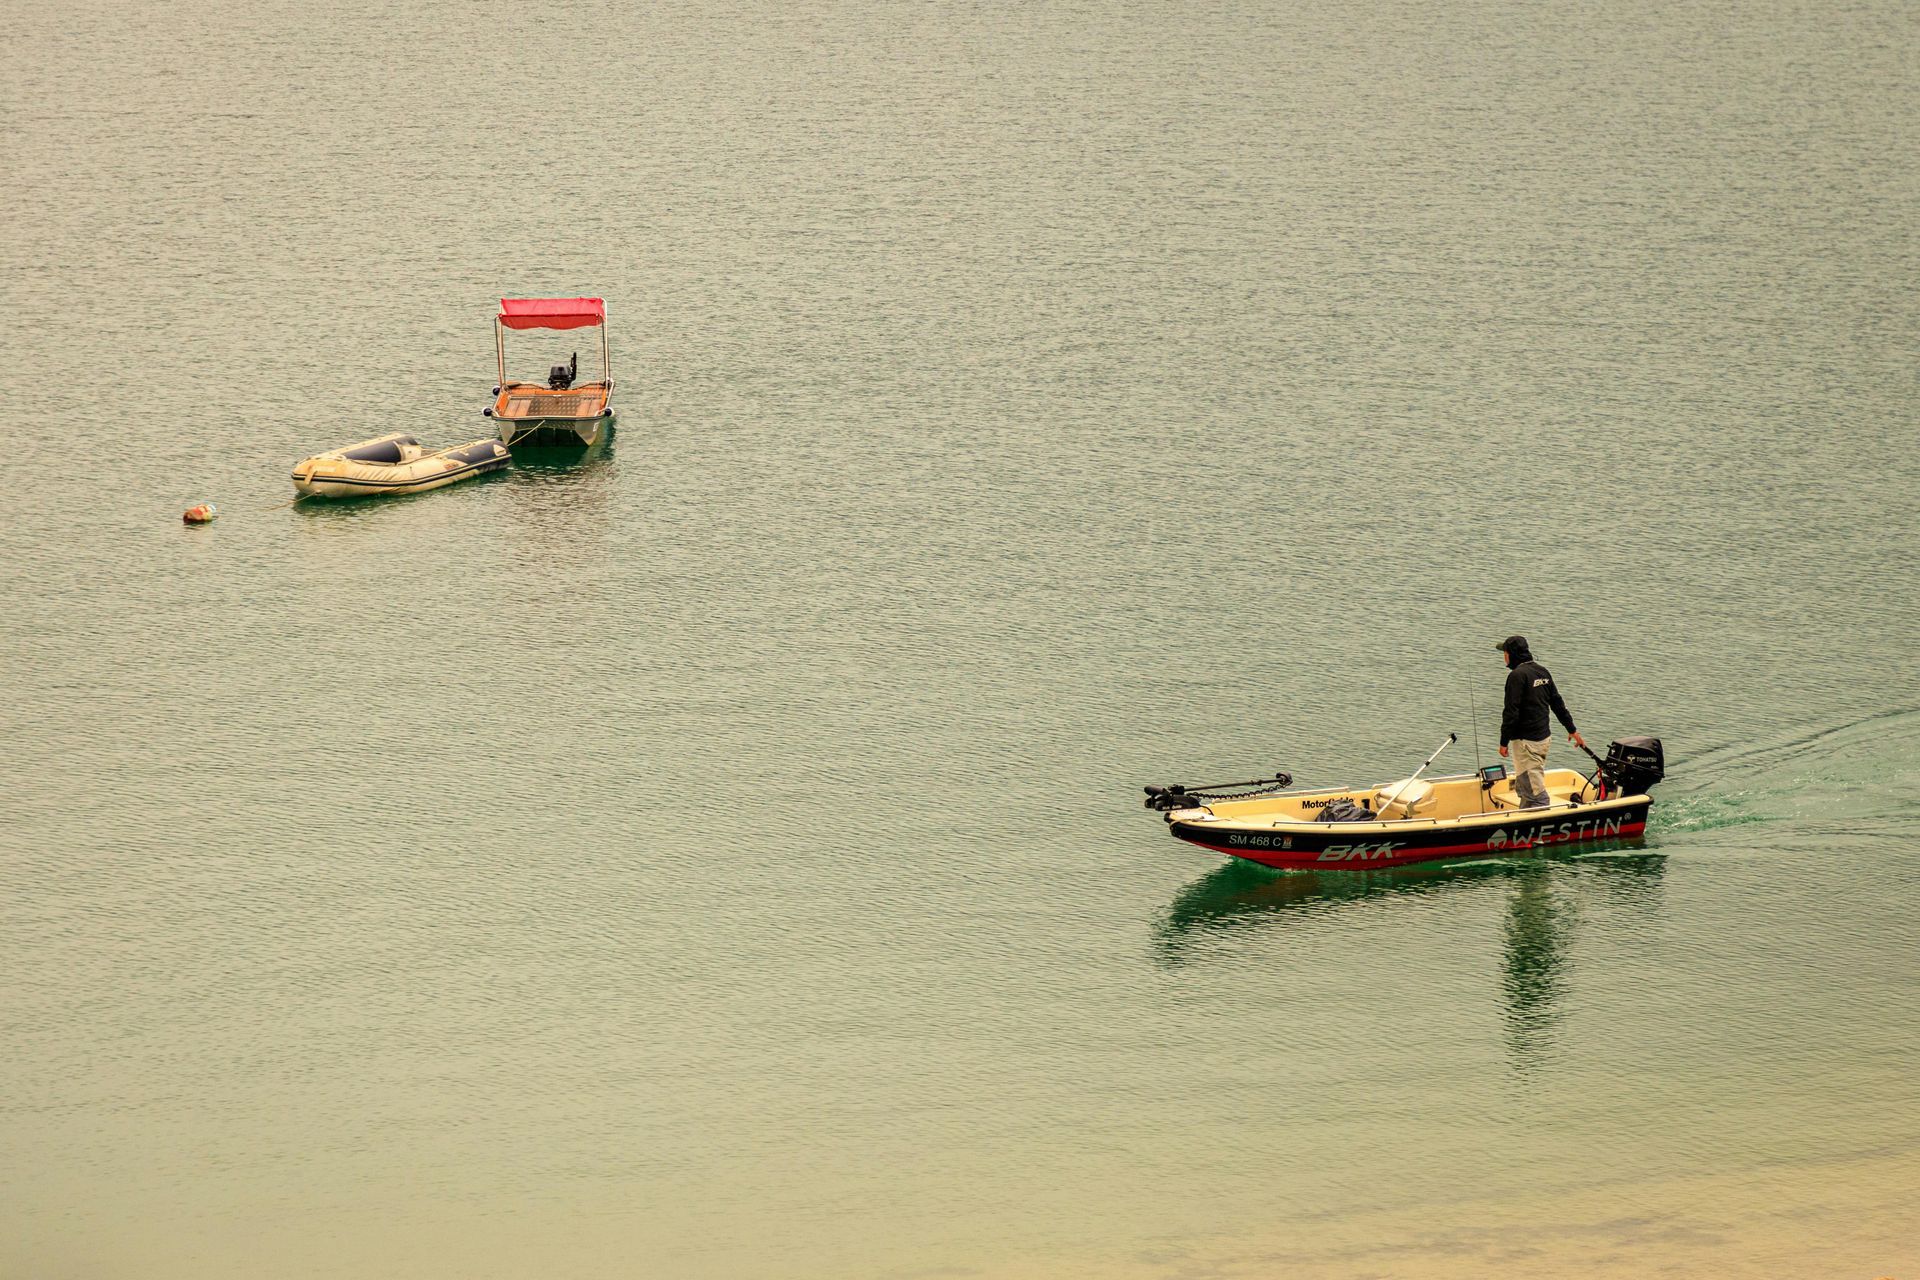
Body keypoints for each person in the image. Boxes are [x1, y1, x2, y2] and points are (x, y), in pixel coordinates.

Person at [1496, 635, 1585, 809]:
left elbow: (1510, 712)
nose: (1504, 657)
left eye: (1505, 653)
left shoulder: (1516, 676)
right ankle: (1525, 819)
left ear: (1511, 654)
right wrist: (1572, 730)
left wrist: (1503, 742)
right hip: (1543, 739)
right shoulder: (1542, 672)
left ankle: (1541, 824)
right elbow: (1557, 703)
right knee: (1527, 784)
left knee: (1533, 791)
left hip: (1526, 743)